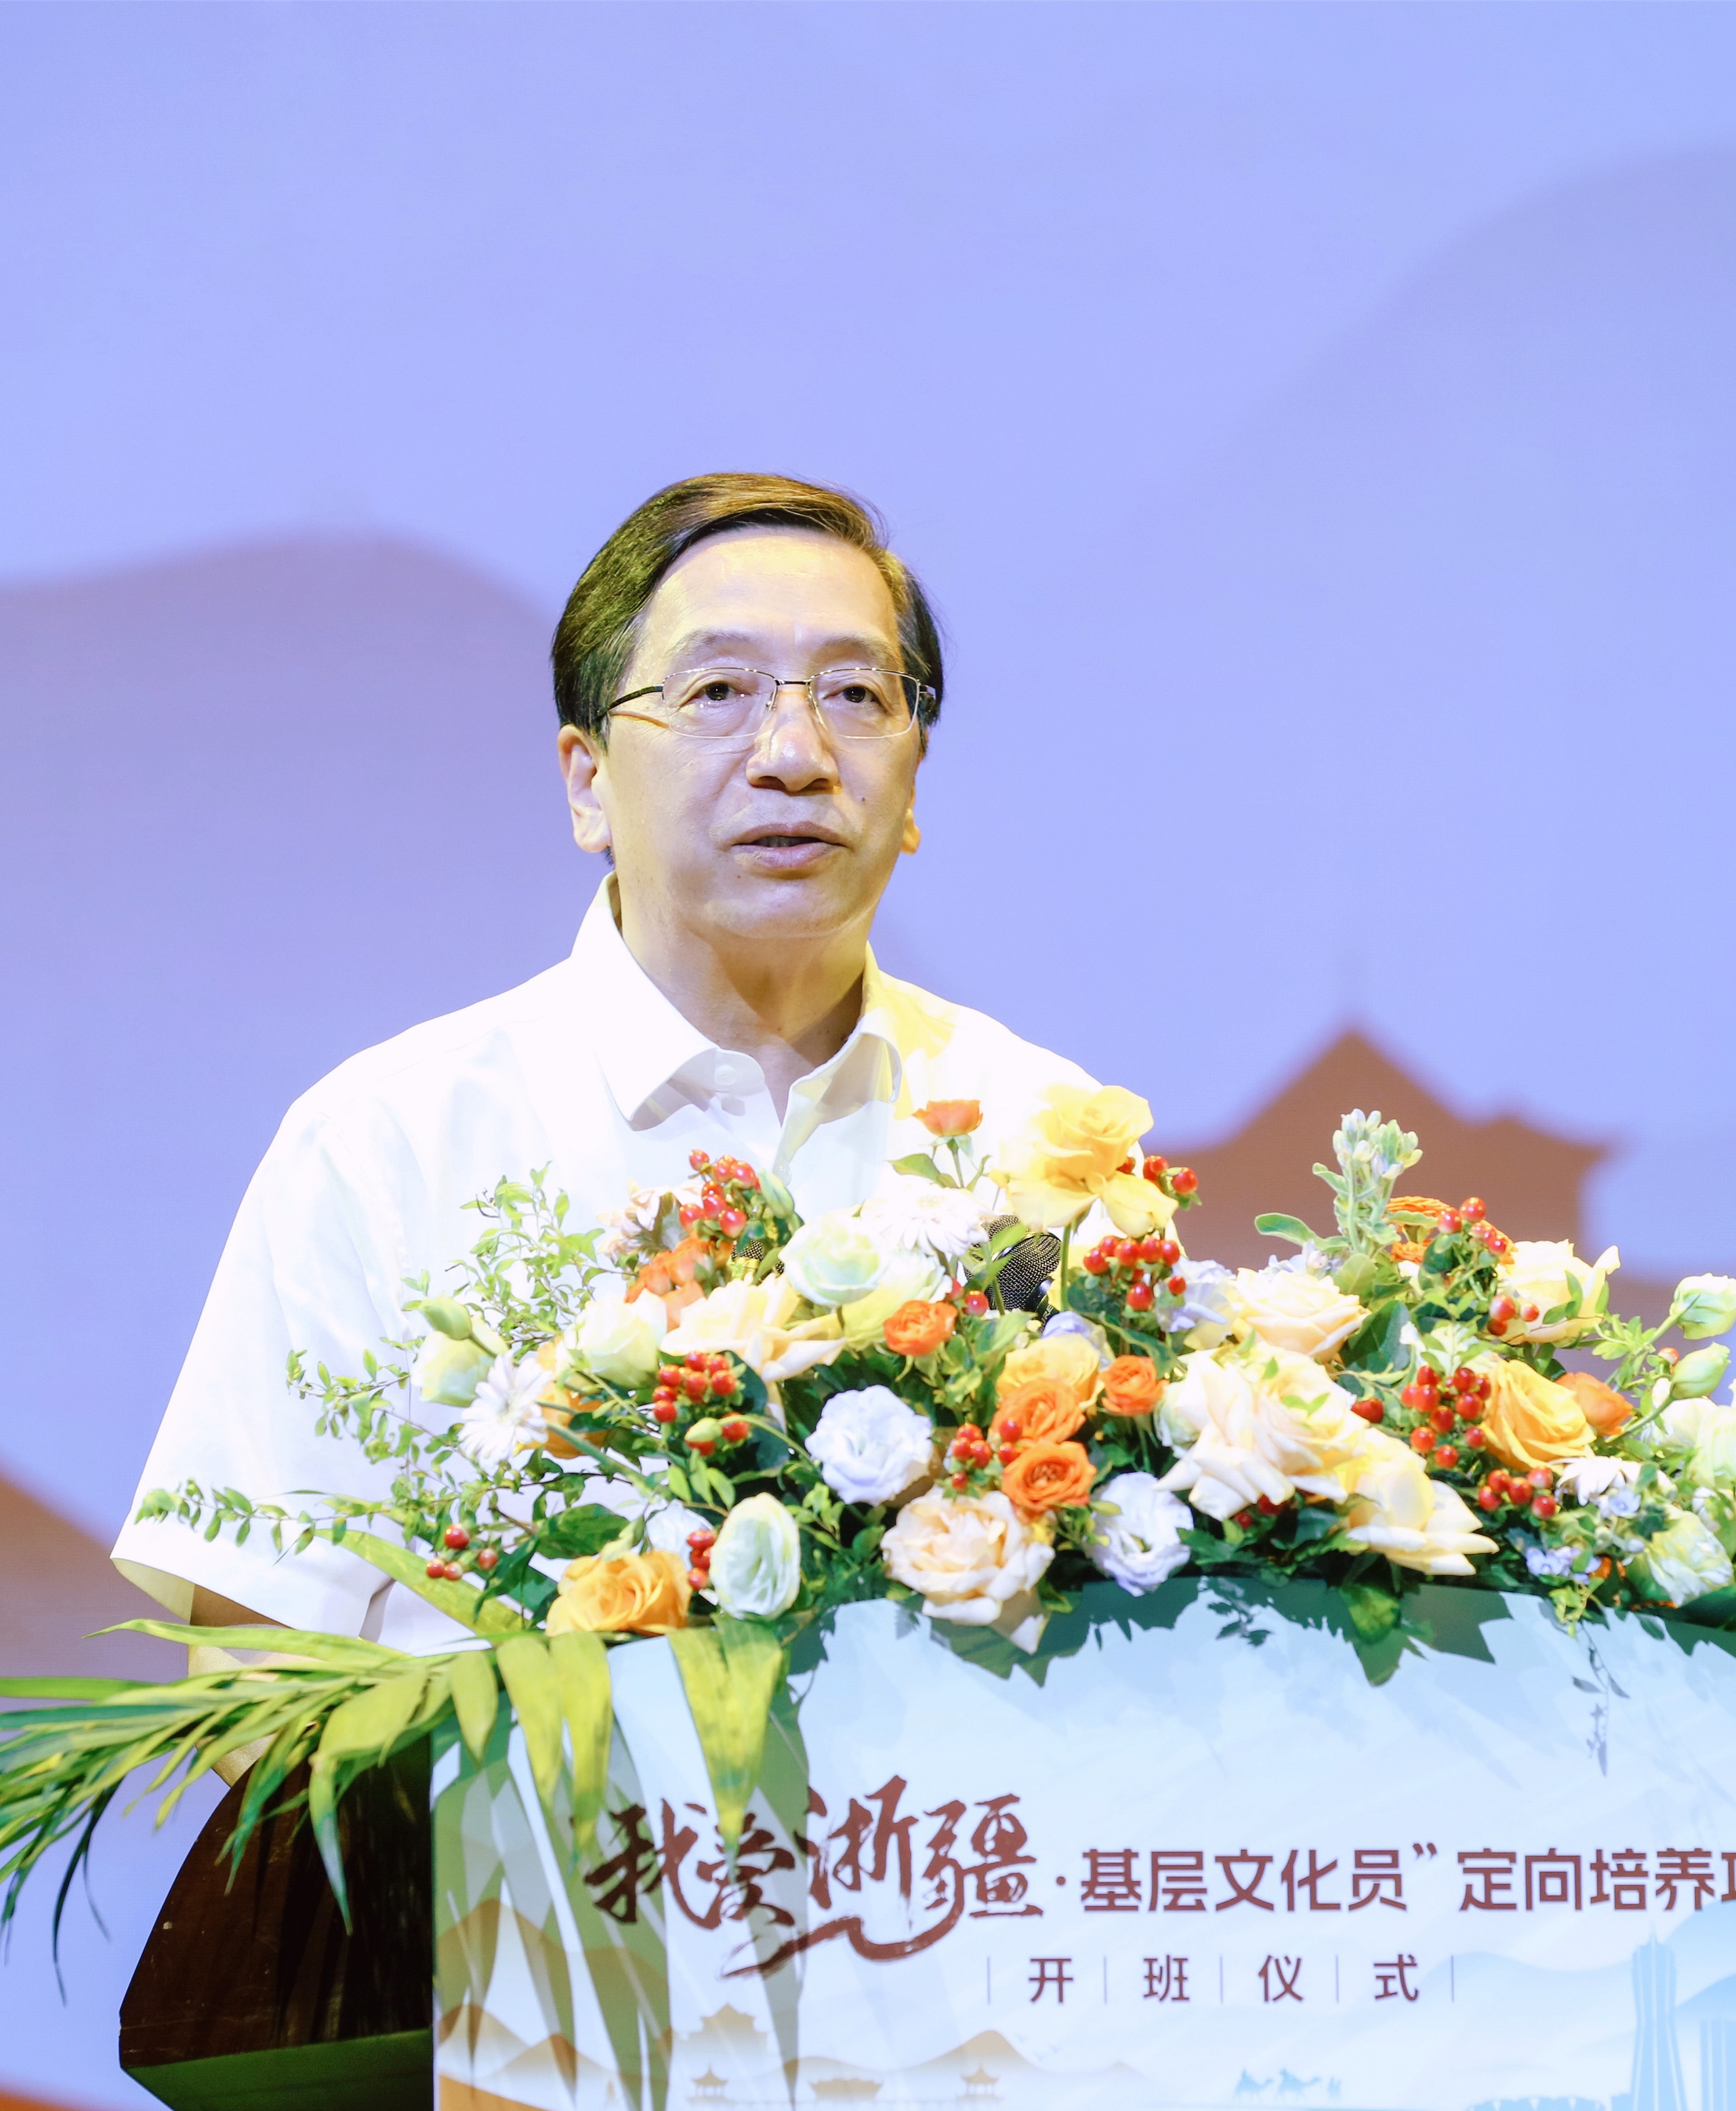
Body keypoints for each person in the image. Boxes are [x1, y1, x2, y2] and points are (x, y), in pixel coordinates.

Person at [114, 472, 1097, 1643]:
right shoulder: (390, 1149)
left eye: (854, 693)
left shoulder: (1042, 1132)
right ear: (587, 783)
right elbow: (256, 1666)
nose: (795, 753)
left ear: (915, 777)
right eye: (718, 691)